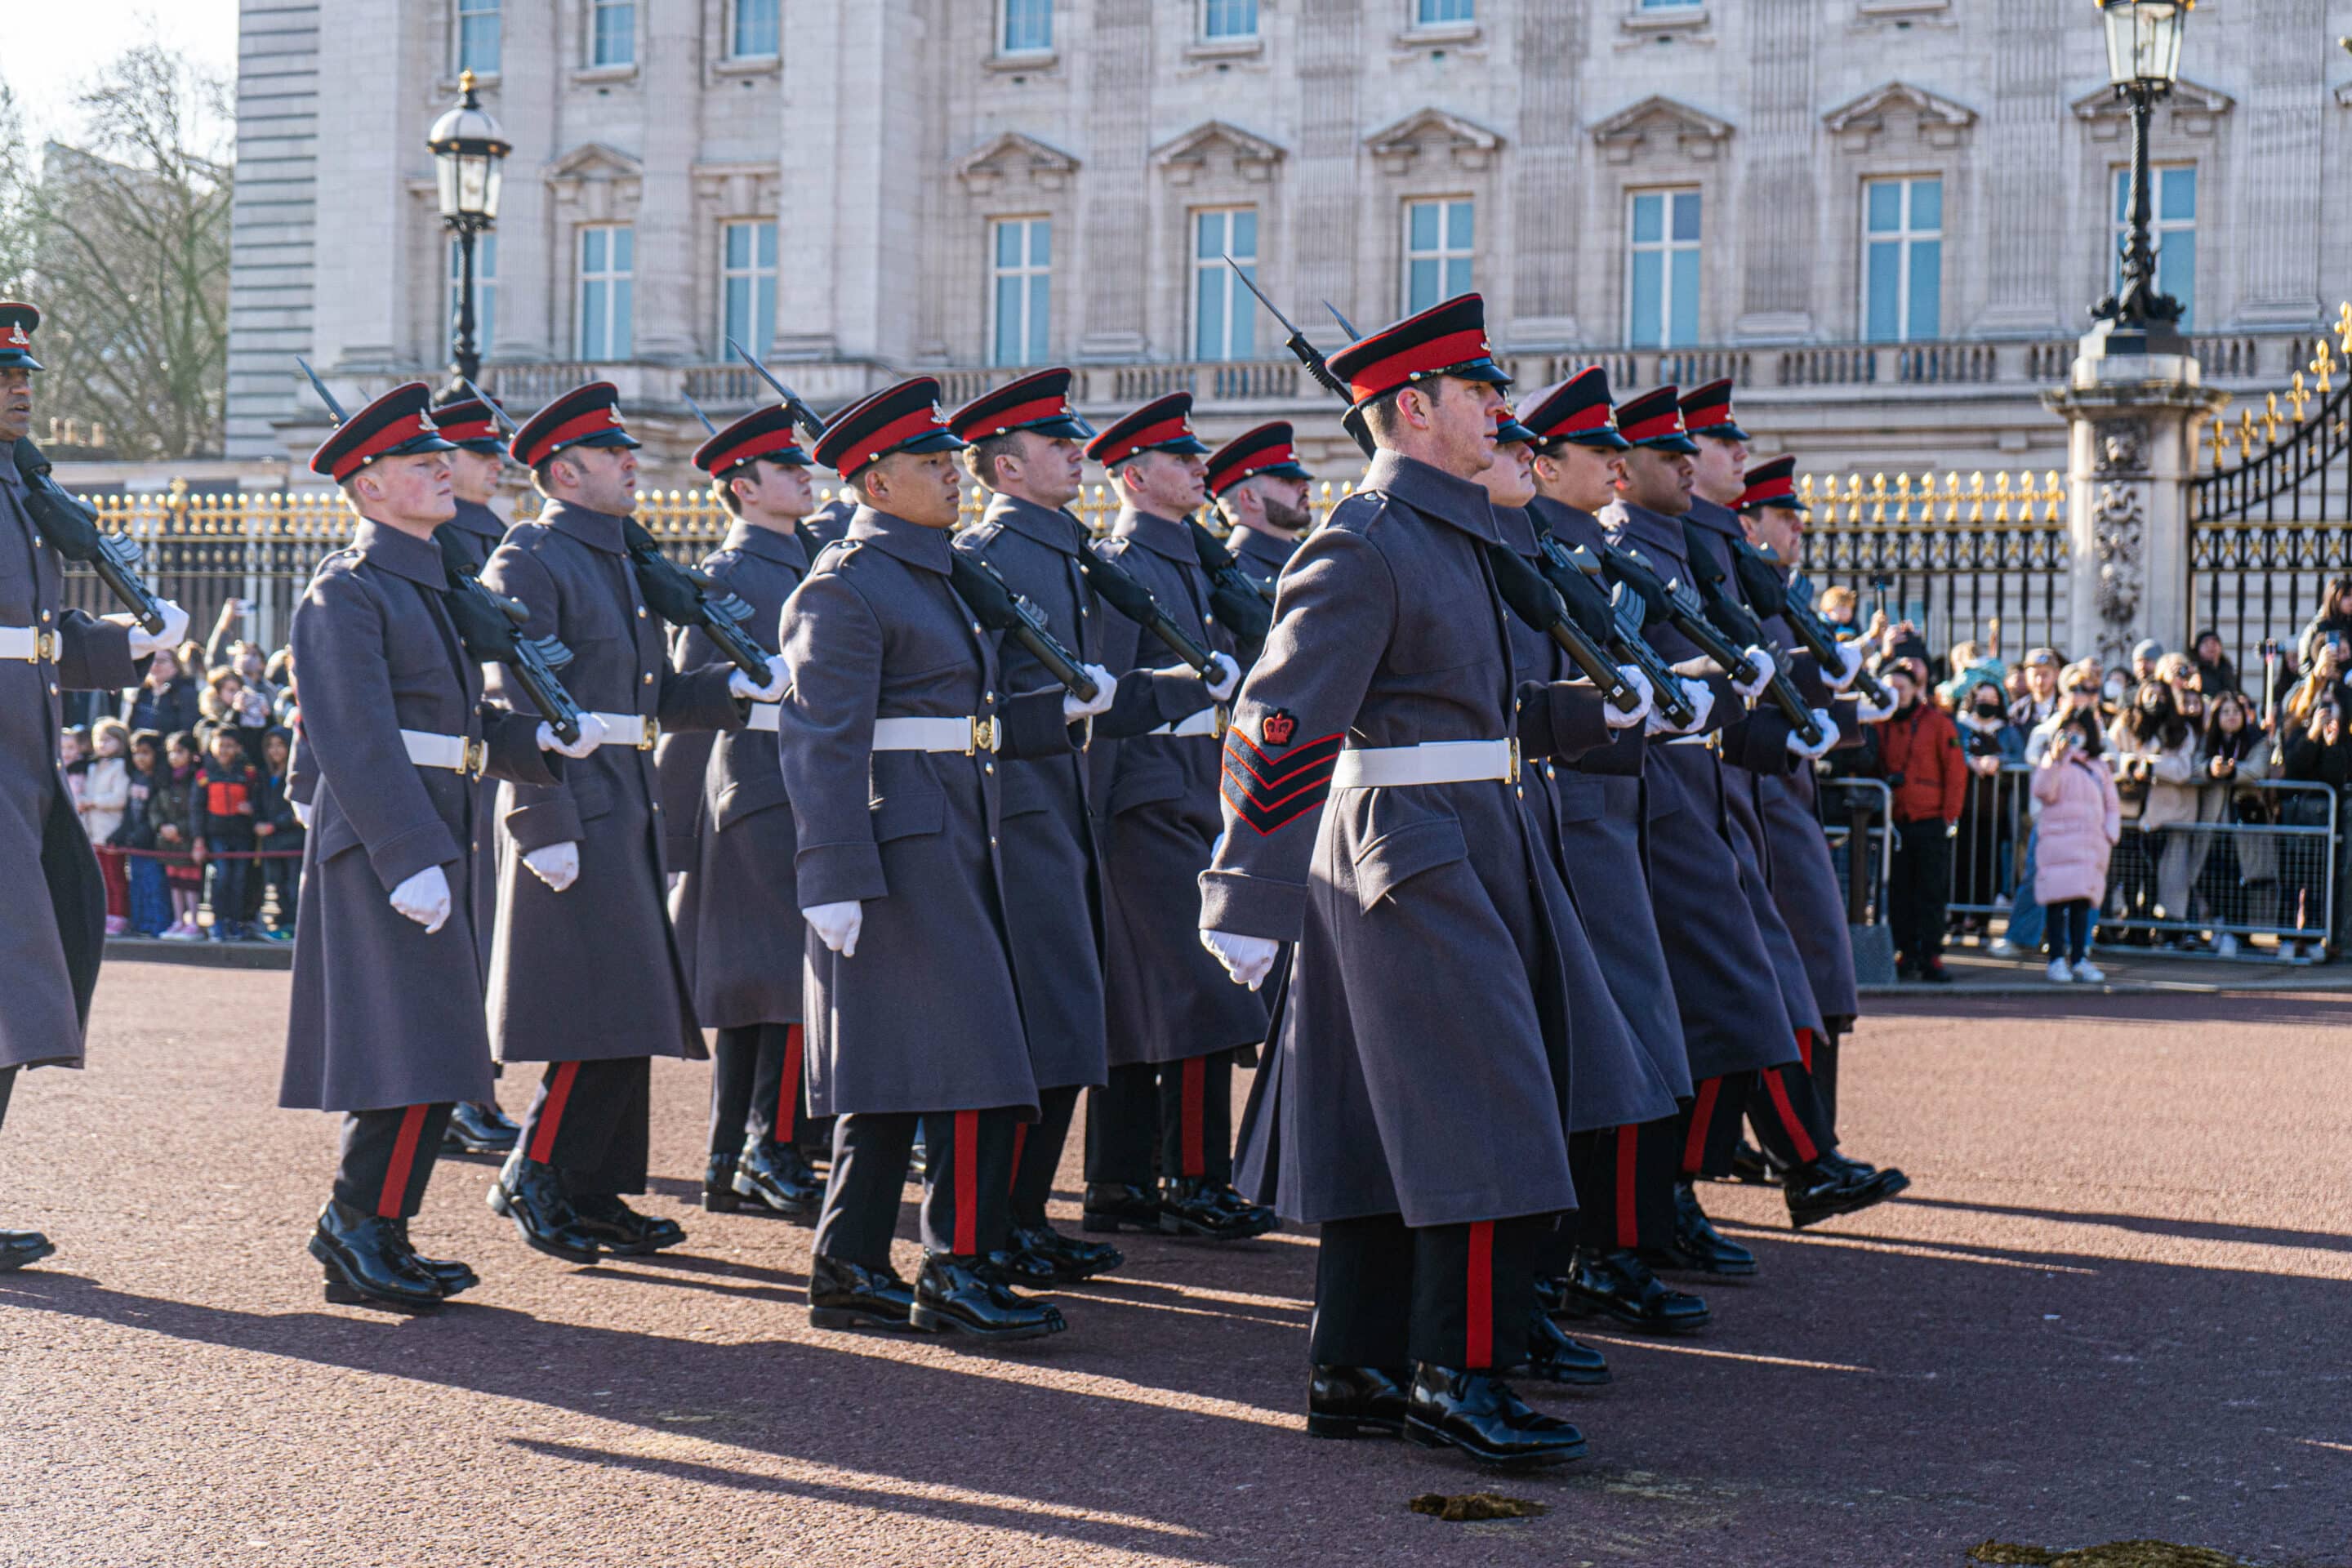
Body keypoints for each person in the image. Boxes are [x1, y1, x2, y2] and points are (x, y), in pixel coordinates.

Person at [1201, 293, 1591, 1465]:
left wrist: (1599, 717)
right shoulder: (1366, 535)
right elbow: (1277, 724)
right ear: (1414, 408)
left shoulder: (1452, 530)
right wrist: (1246, 893)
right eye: (1480, 394)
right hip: (1405, 852)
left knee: (1388, 1120)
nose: (1501, 411)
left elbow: (1477, 704)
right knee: (1484, 1108)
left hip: (1470, 832)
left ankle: (1358, 1363)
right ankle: (1451, 1373)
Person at [777, 376, 1114, 1341]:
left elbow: (957, 723)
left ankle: (847, 1264)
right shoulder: (845, 584)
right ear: (875, 484)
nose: (953, 476)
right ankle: (955, 1266)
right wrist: (833, 872)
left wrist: (1063, 715)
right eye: (931, 465)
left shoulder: (931, 571)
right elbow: (819, 738)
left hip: (959, 828)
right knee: (972, 1060)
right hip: (903, 844)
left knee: (896, 1071)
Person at [280, 381, 600, 1312]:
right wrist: (407, 850)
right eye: (418, 464)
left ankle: (379, 1226)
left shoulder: (436, 583)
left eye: (436, 459)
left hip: (431, 827)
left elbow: (458, 725)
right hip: (389, 839)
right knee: (405, 1043)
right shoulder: (348, 589)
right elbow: (354, 735)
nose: (438, 471)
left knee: (436, 1045)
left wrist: (528, 747)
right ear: (368, 488)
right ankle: (356, 1225)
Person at [479, 381, 777, 1267]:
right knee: (590, 1011)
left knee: (631, 1008)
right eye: (613, 455)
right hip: (574, 802)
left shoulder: (617, 560)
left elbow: (646, 700)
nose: (632, 463)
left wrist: (728, 691)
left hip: (626, 799)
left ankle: (594, 1187)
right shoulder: (529, 557)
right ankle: (536, 1170)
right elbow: (515, 694)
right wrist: (542, 818)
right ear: (565, 472)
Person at [1605, 387, 1887, 1238]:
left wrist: (1816, 713)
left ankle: (1688, 1195)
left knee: (1752, 996)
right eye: (1683, 453)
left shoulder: (1689, 546)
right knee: (1717, 1004)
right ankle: (1703, 1194)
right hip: (1670, 800)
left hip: (1720, 797)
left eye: (1710, 449)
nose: (1702, 461)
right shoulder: (1636, 547)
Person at [1477, 389, 1692, 1355]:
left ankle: (1577, 1265)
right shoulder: (1503, 549)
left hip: (1592, 819)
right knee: (1550, 1070)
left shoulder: (1563, 553)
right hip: (1541, 823)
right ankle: (1548, 1279)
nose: (1615, 466)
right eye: (1523, 446)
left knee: (1616, 1052)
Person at [949, 367, 1165, 1283]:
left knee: (1069, 1024)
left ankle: (1025, 1213)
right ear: (1004, 468)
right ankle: (989, 1224)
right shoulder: (995, 556)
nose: (1080, 451)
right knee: (1031, 1028)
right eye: (1057, 443)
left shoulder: (1063, 549)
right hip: (1016, 815)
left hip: (1063, 808)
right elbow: (977, 703)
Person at [0, 298, 188, 1272]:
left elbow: (34, 642)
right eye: (4, 377)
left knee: (23, 987)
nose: (20, 389)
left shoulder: (24, 491)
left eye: (25, 374)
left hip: (28, 764)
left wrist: (129, 641)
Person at [1077, 392, 1264, 1244]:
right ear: (1134, 476)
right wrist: (1101, 822)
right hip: (1144, 799)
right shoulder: (1124, 564)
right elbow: (1104, 706)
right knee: (1196, 994)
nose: (1202, 470)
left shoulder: (1193, 558)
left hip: (1195, 785)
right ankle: (1193, 1179)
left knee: (1147, 999)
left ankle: (1120, 1182)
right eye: (1184, 460)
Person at [670, 403, 833, 1220]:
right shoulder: (732, 574)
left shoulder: (805, 556)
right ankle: (762, 1149)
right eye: (788, 468)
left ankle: (738, 1153)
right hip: (763, 783)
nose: (806, 475)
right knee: (775, 983)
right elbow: (692, 692)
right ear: (744, 487)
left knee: (769, 988)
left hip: (792, 779)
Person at [1874, 654, 1967, 981]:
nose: (1896, 693)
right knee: (1899, 892)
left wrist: (1948, 816)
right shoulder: (1877, 722)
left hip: (1929, 820)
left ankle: (1931, 955)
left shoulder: (1938, 723)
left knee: (1930, 892)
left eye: (1902, 687)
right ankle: (1904, 952)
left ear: (1916, 689)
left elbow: (1956, 772)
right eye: (1890, 687)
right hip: (1894, 821)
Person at [2032, 709, 2120, 984]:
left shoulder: (2099, 766)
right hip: (2059, 841)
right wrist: (2056, 760)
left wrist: (2109, 834)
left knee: (2083, 905)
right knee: (2057, 904)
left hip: (2090, 843)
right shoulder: (2053, 761)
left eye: (2080, 731)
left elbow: (2112, 804)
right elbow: (2044, 791)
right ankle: (2057, 959)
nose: (2075, 737)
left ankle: (2080, 958)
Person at [2108, 680, 2198, 942]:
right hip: (2128, 810)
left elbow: (2183, 769)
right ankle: (2115, 924)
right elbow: (2110, 755)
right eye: (2150, 694)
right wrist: (2129, 764)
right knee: (2124, 872)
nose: (2155, 700)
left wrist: (2151, 767)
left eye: (2161, 695)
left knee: (2155, 875)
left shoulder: (2180, 730)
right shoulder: (2125, 723)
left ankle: (2146, 926)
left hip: (2163, 815)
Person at [2192, 689, 2272, 956]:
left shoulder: (2257, 739)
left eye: (2236, 711)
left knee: (2244, 876)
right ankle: (2219, 925)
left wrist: (2232, 772)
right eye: (2225, 712)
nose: (2231, 717)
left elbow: (2259, 768)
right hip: (2214, 819)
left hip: (2245, 816)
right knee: (2213, 874)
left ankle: (2241, 934)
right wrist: (2210, 770)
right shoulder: (2207, 739)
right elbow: (2195, 765)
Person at [1953, 678, 2025, 927]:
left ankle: (1982, 919)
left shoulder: (2008, 731)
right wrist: (1969, 761)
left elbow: (2019, 756)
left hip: (1995, 810)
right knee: (1960, 861)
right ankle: (1957, 916)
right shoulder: (1961, 727)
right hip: (1963, 808)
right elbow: (1951, 750)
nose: (1987, 704)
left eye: (1993, 700)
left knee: (1989, 863)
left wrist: (1998, 761)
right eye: (1983, 699)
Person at [191, 727, 260, 942]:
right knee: (221, 878)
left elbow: (259, 801)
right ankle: (218, 922)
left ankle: (236, 921)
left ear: (238, 748)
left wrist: (251, 809)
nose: (224, 750)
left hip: (241, 835)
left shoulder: (248, 774)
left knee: (240, 879)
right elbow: (196, 809)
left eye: (230, 746)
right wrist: (199, 841)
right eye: (220, 745)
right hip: (216, 835)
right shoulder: (204, 775)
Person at [79, 718, 132, 935]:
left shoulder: (120, 767)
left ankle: (120, 915)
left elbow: (119, 798)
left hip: (111, 829)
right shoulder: (93, 767)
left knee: (116, 876)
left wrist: (92, 801)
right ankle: (108, 914)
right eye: (99, 740)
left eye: (108, 740)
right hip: (94, 831)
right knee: (102, 877)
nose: (102, 745)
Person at [151, 731, 205, 939]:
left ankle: (194, 921)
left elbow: (197, 810)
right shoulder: (165, 779)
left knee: (191, 884)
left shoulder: (196, 780)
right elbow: (155, 807)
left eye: (180, 752)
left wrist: (180, 830)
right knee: (175, 883)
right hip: (169, 842)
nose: (174, 757)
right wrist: (162, 826)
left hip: (188, 841)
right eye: (171, 752)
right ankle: (178, 920)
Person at [253, 727, 302, 940]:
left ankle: (294, 925)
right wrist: (257, 822)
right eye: (271, 746)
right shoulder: (264, 776)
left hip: (292, 841)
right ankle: (282, 924)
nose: (275, 750)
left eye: (280, 745)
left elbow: (297, 810)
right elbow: (258, 804)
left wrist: (276, 825)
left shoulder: (296, 775)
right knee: (277, 885)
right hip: (271, 843)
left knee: (293, 886)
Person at [121, 729, 172, 936]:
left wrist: (142, 833)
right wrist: (122, 833)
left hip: (154, 846)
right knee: (138, 886)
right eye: (136, 753)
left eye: (145, 753)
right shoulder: (136, 777)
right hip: (136, 845)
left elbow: (157, 812)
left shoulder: (161, 780)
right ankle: (140, 924)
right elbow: (129, 811)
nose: (140, 758)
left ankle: (158, 925)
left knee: (155, 887)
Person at [122, 644, 199, 737]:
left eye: (161, 661)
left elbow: (187, 730)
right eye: (151, 661)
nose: (155, 665)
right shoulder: (140, 692)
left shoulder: (186, 694)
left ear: (176, 665)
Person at [2191, 630, 2239, 697]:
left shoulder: (2226, 669)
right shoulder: (2195, 670)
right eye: (2206, 643)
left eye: (2214, 643)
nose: (2211, 647)